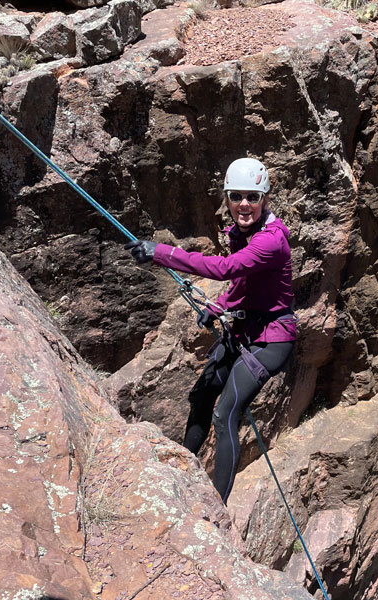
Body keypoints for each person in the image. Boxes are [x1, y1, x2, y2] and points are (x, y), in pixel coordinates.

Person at [124, 158, 296, 503]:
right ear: (227, 198)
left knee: (225, 413)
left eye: (252, 196)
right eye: (236, 196)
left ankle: (218, 505)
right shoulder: (241, 232)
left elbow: (225, 269)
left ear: (265, 199)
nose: (243, 204)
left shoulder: (270, 242)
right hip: (245, 329)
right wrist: (220, 306)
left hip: (272, 339)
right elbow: (245, 282)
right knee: (201, 395)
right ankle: (182, 465)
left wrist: (163, 253)